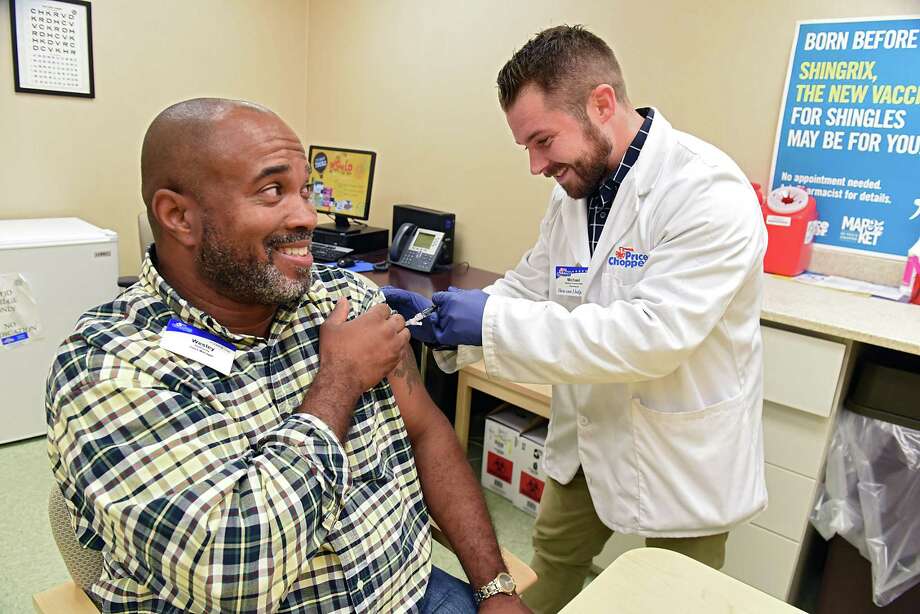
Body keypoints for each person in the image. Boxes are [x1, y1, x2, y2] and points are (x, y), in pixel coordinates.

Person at [46, 98, 531, 613]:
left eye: (305, 190)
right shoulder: (108, 365)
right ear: (178, 216)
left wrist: (492, 586)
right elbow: (238, 579)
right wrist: (339, 380)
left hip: (407, 591)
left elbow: (428, 430)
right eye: (272, 190)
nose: (307, 216)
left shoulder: (347, 302)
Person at [385, 25, 768, 613]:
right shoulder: (573, 192)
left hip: (680, 444)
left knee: (679, 594)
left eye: (543, 140)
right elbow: (531, 284)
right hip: (589, 431)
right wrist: (443, 319)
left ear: (602, 104)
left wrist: (487, 323)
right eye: (528, 148)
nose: (537, 165)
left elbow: (651, 337)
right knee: (553, 564)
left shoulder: (707, 192)